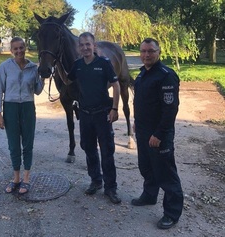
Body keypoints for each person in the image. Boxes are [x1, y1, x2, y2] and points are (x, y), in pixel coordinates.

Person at [132, 38, 184, 229]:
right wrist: (137, 123)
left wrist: (159, 134)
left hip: (159, 135)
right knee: (146, 167)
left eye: (151, 51)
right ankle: (149, 195)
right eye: (143, 51)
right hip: (143, 131)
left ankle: (172, 213)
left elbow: (170, 109)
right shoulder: (141, 75)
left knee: (166, 174)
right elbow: (140, 102)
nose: (146, 55)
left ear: (159, 52)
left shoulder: (165, 75)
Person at [66, 32, 121, 204]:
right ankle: (96, 180)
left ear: (94, 46)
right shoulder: (78, 65)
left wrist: (114, 108)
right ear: (78, 48)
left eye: (88, 44)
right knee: (88, 148)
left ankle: (110, 188)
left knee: (107, 151)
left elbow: (116, 85)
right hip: (85, 114)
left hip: (102, 114)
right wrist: (54, 67)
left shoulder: (103, 63)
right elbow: (67, 81)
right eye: (81, 45)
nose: (85, 47)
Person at [0, 37, 45, 195]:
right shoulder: (5, 67)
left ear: (25, 48)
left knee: (28, 144)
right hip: (10, 107)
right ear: (11, 51)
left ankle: (27, 178)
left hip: (28, 107)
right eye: (15, 48)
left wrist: (43, 77)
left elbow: (37, 91)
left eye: (21, 48)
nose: (19, 51)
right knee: (13, 144)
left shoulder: (33, 67)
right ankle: (16, 178)